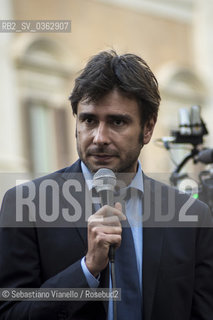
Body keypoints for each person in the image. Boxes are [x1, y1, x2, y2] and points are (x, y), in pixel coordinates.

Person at [0, 50, 213, 320]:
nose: (100, 137)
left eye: (117, 122)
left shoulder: (192, 217)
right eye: (89, 120)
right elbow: (10, 312)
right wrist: (86, 269)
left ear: (147, 128)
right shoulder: (26, 205)